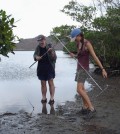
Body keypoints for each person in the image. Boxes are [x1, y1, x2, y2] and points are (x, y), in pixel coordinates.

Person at [70, 28, 107, 118]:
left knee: (79, 89)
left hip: (84, 69)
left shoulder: (87, 44)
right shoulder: (78, 44)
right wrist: (74, 55)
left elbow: (95, 57)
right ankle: (85, 107)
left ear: (79, 35)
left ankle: (91, 108)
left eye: (75, 38)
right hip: (79, 68)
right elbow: (79, 56)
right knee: (82, 89)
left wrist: (102, 69)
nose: (74, 40)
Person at [33, 35, 57, 105]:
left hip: (50, 67)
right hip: (41, 68)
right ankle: (44, 98)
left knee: (50, 83)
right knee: (43, 84)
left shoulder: (50, 47)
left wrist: (51, 52)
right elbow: (34, 55)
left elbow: (54, 58)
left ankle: (52, 99)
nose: (41, 42)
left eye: (42, 40)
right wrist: (37, 57)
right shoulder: (38, 47)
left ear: (45, 40)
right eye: (39, 41)